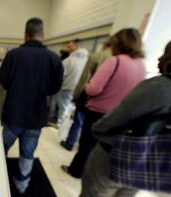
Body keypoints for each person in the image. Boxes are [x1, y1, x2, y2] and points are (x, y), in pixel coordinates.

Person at [69, 40, 171, 197]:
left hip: (118, 154)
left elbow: (118, 116)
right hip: (150, 163)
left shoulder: (159, 86)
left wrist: (97, 130)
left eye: (165, 52)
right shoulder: (140, 66)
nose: (159, 57)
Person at [62, 28, 145, 178]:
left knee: (87, 144)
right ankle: (92, 174)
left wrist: (87, 85)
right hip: (121, 114)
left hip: (98, 111)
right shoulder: (141, 65)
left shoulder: (115, 61)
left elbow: (94, 89)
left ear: (118, 43)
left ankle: (76, 170)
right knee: (103, 148)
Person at [0, 18, 63, 194]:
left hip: (13, 114)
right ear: (42, 35)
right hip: (36, 116)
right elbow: (55, 88)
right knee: (28, 153)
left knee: (2, 147)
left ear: (25, 35)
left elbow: (4, 82)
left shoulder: (13, 55)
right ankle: (21, 184)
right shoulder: (53, 58)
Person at [60, 39, 112, 151]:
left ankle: (70, 143)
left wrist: (76, 94)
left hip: (88, 95)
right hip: (106, 103)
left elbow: (85, 79)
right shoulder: (122, 60)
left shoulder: (97, 56)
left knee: (78, 121)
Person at [49, 39, 89, 126]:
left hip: (66, 87)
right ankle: (64, 125)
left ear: (76, 46)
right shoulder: (87, 60)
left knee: (63, 108)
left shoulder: (69, 60)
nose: (68, 48)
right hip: (80, 89)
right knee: (70, 109)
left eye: (70, 46)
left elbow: (60, 75)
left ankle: (59, 125)